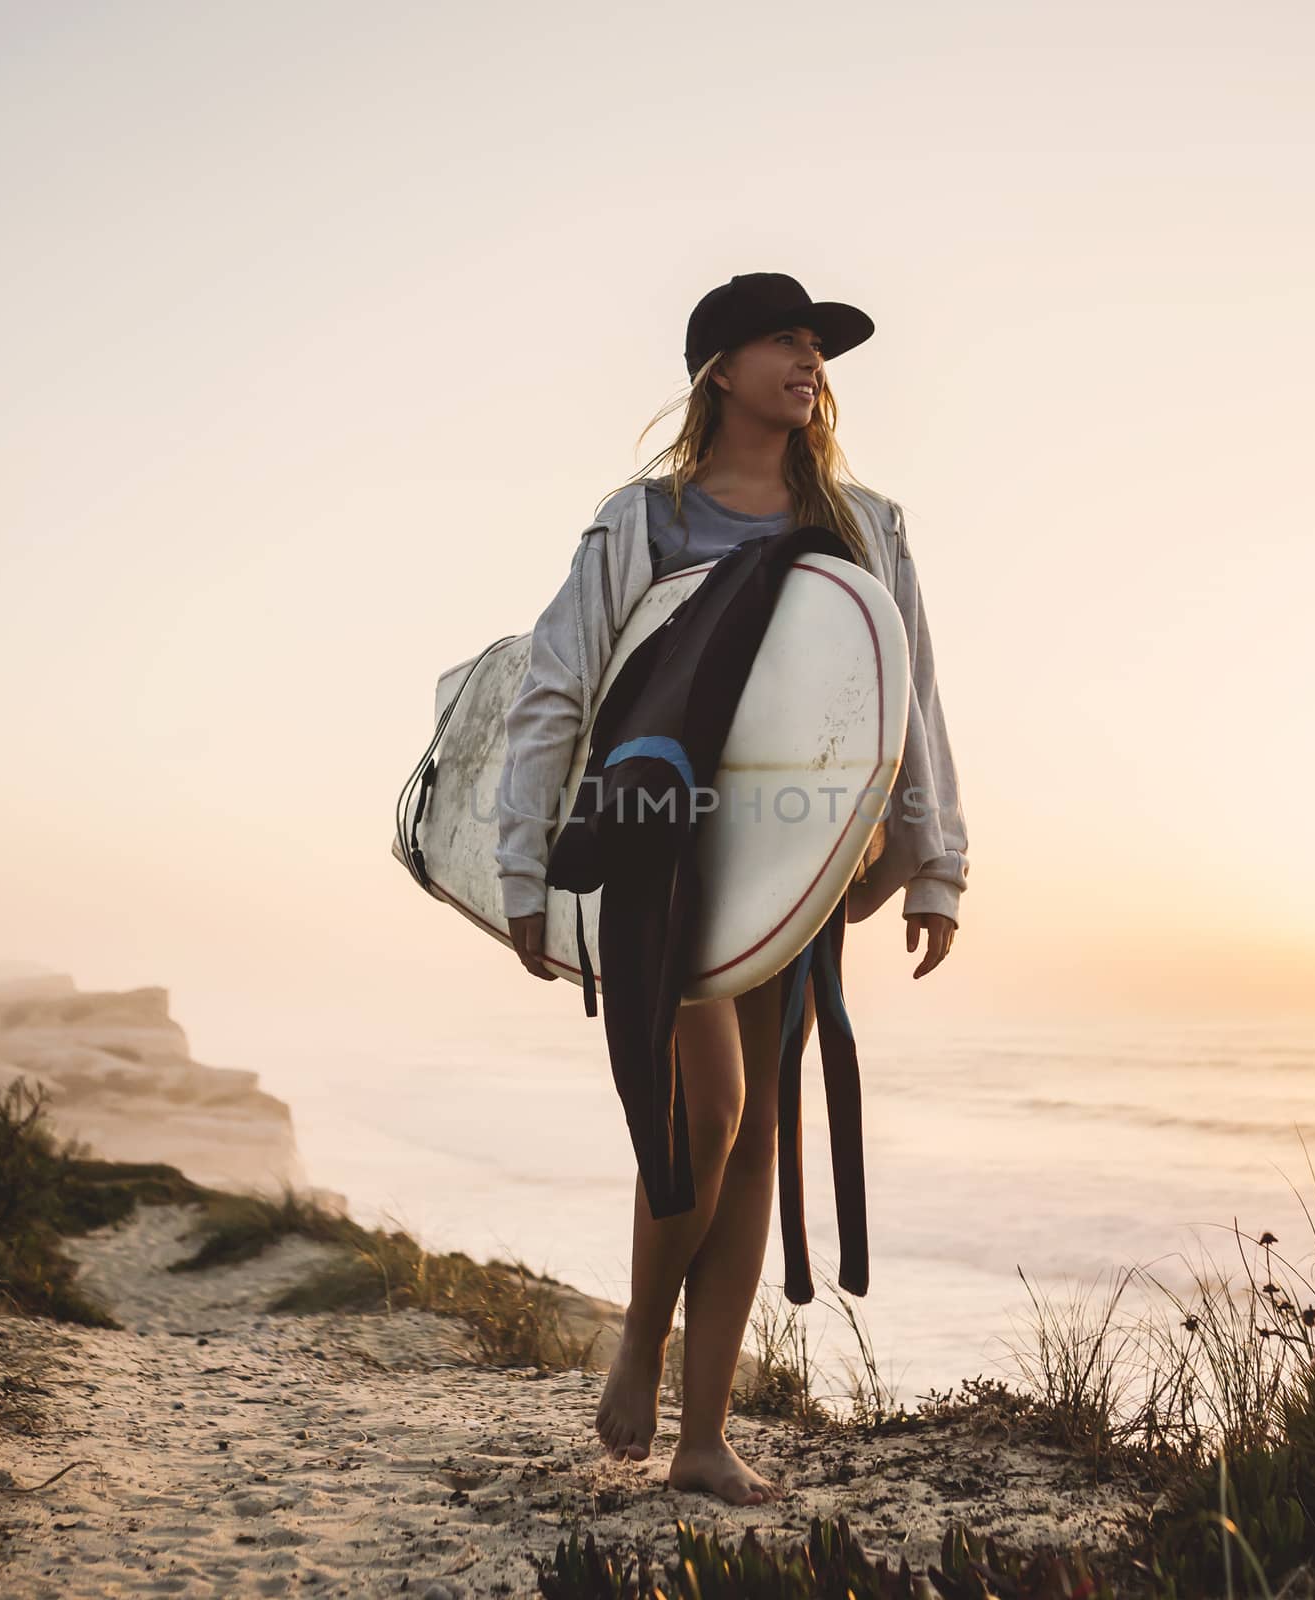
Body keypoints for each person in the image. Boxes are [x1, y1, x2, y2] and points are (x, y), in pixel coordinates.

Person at [494, 273, 968, 1508]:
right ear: (717, 367)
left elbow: (905, 704)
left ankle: (702, 1435)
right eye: (785, 341)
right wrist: (521, 862)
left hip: (793, 863)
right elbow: (559, 685)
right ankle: (640, 1335)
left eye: (819, 348)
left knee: (757, 1128)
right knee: (707, 1112)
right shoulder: (644, 521)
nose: (810, 363)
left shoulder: (866, 521)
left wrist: (934, 863)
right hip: (664, 851)